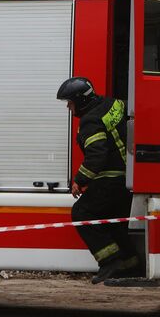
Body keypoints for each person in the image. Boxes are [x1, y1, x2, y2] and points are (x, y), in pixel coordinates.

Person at [56, 77, 140, 283]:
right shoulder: (115, 104)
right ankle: (129, 263)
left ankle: (109, 261)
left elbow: (96, 155)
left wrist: (79, 180)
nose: (68, 107)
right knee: (112, 221)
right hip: (128, 179)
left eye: (70, 102)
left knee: (82, 213)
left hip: (110, 179)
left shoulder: (90, 121)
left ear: (81, 101)